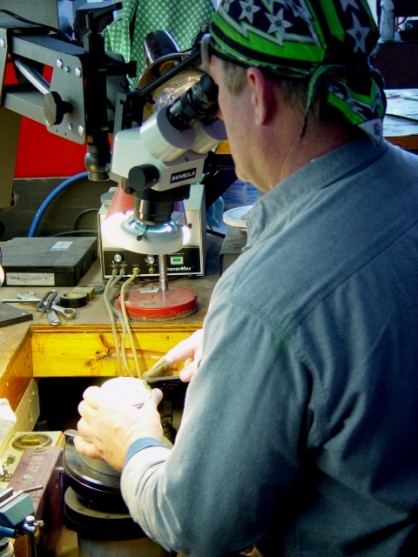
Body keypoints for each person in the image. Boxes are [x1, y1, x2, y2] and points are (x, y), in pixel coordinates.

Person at [75, 1, 418, 555]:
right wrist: (257, 348)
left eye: (214, 91)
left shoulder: (268, 299)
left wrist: (131, 439)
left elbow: (200, 526)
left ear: (255, 92)